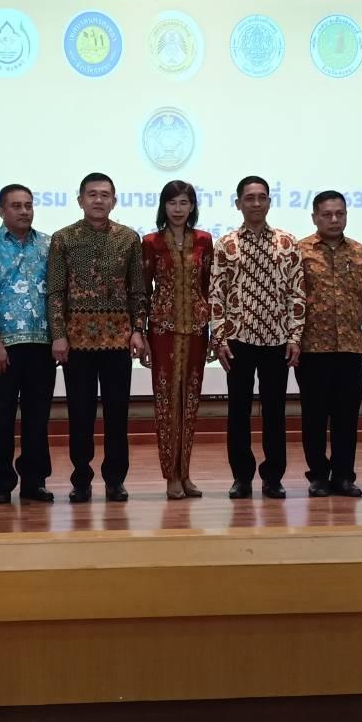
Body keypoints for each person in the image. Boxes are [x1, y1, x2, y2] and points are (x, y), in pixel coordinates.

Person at [47, 173, 148, 502]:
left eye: (105, 195)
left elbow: (138, 290)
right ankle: (81, 479)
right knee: (80, 415)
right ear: (80, 200)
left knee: (117, 415)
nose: (98, 200)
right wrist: (58, 335)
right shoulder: (63, 239)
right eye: (92, 194)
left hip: (119, 340)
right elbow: (55, 292)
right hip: (76, 342)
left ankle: (115, 480)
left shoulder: (129, 238)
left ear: (114, 201)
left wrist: (138, 330)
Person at [210, 175, 305, 500]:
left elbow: (297, 292)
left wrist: (295, 334)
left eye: (261, 197)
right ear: (238, 203)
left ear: (269, 202)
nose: (256, 203)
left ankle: (273, 477)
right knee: (238, 411)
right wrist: (219, 337)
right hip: (237, 340)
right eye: (249, 198)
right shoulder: (226, 244)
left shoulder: (287, 242)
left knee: (275, 412)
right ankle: (241, 477)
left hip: (277, 339)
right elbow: (217, 293)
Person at [0, 184, 54, 505]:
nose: (24, 211)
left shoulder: (48, 245)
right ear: (1, 211)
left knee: (37, 418)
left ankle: (34, 481)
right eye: (16, 206)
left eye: (28, 205)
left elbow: (58, 295)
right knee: (0, 417)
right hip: (1, 348)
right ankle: (1, 483)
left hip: (41, 345)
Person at [296, 191, 362, 498]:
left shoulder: (360, 252)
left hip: (350, 347)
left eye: (340, 214)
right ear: (315, 217)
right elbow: (291, 299)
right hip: (311, 349)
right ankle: (318, 476)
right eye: (327, 214)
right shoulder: (300, 251)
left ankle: (344, 476)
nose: (334, 219)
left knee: (347, 417)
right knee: (314, 417)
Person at [141, 180, 215, 499]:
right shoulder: (151, 242)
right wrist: (142, 333)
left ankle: (185, 473)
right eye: (172, 203)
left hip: (196, 330)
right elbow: (143, 292)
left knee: (190, 403)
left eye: (184, 202)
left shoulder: (204, 241)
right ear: (163, 206)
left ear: (192, 206)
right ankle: (170, 475)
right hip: (162, 331)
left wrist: (214, 332)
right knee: (166, 403)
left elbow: (209, 288)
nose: (178, 209)